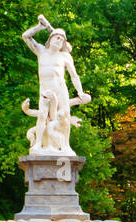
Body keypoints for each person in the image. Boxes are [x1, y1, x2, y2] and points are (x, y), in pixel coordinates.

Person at [21, 15, 90, 154]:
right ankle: (38, 145)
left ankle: (65, 146)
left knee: (64, 116)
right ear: (50, 38)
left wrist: (80, 92)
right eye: (56, 37)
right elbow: (25, 36)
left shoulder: (65, 56)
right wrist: (40, 27)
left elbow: (74, 76)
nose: (59, 40)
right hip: (45, 90)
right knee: (42, 116)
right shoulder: (41, 51)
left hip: (60, 90)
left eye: (61, 39)